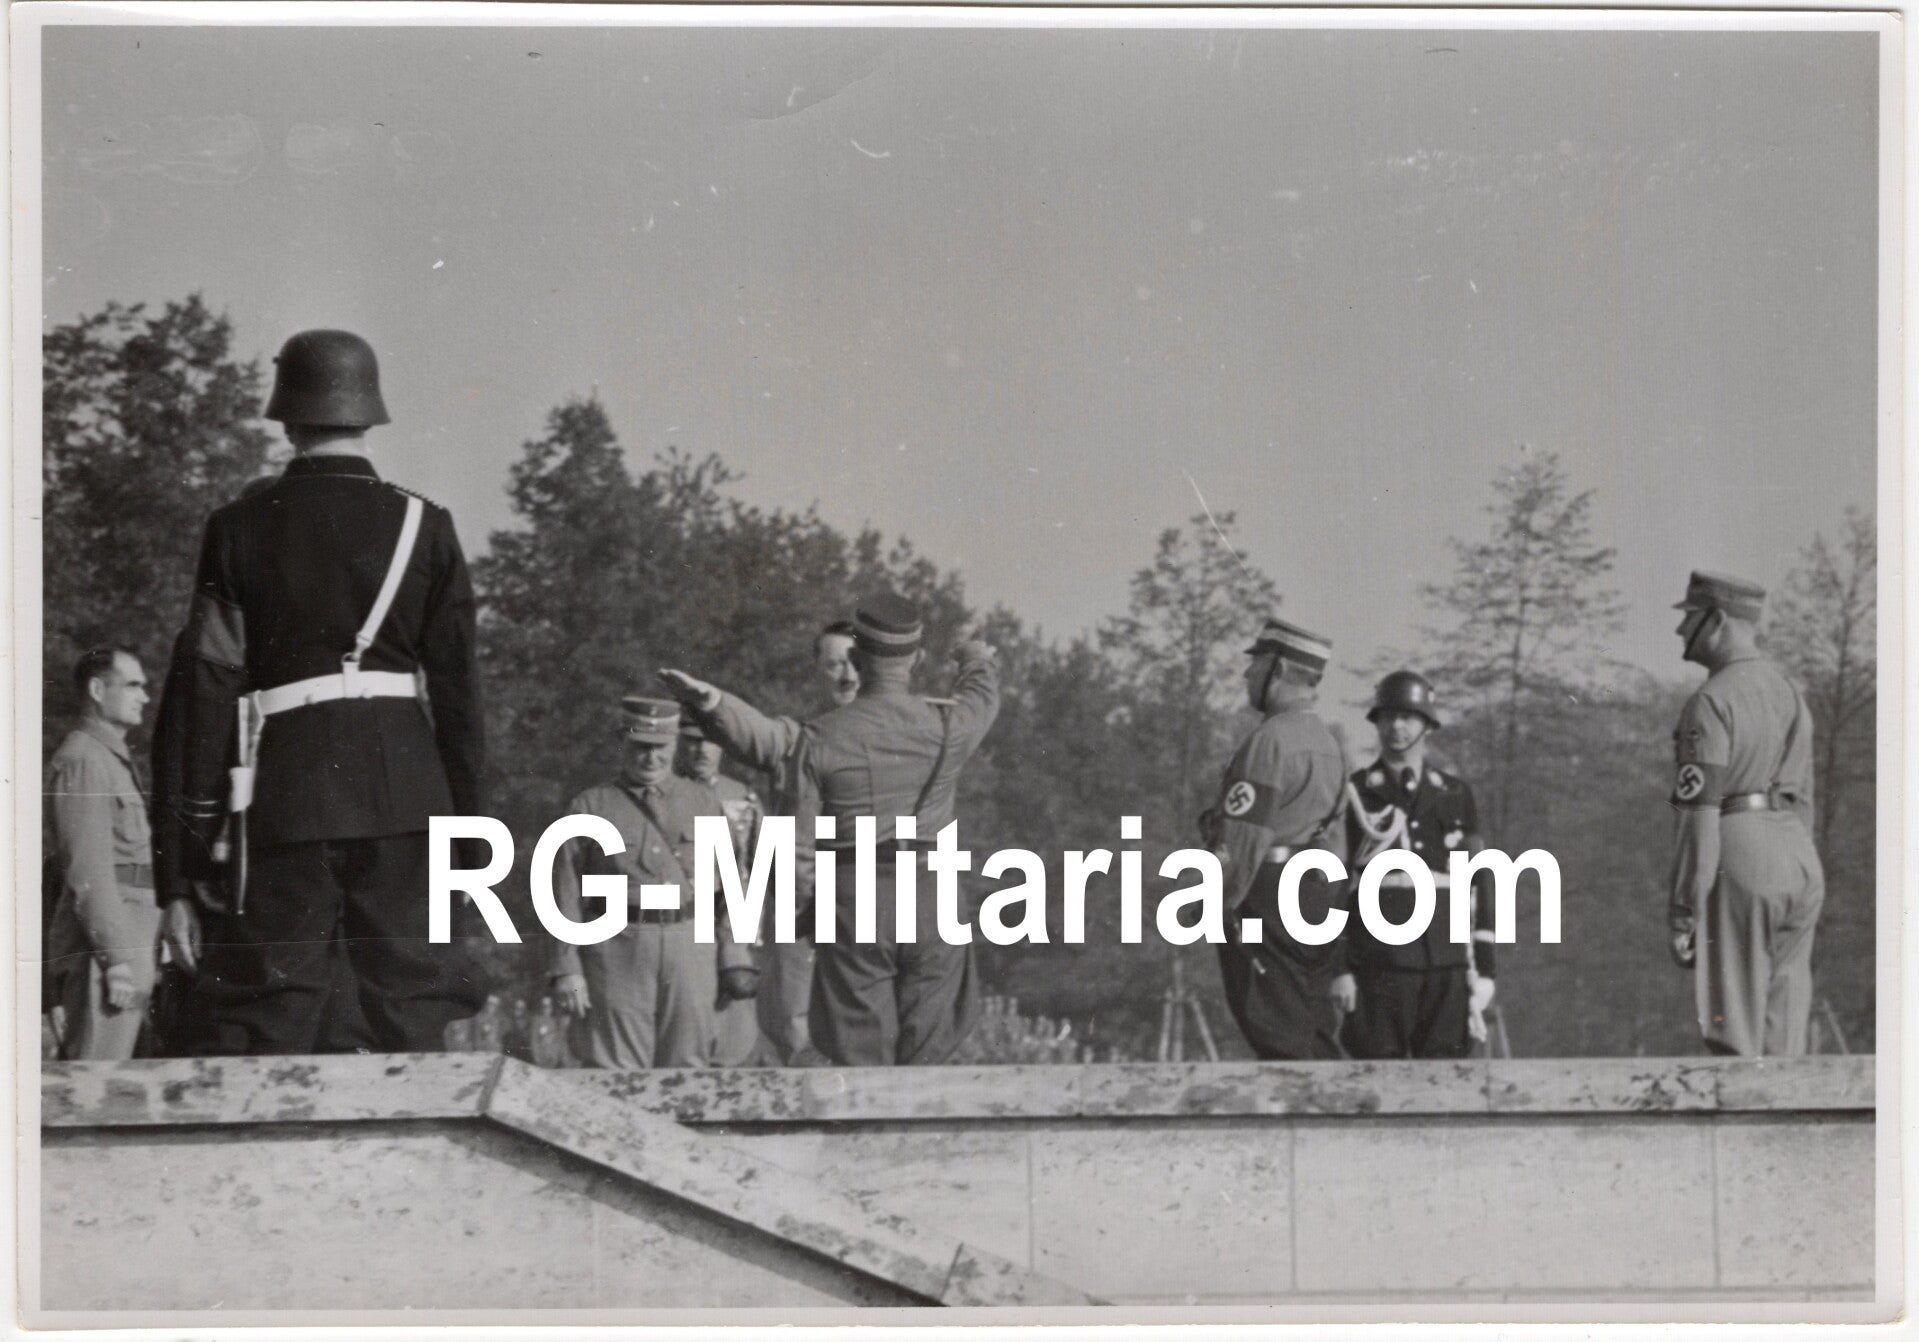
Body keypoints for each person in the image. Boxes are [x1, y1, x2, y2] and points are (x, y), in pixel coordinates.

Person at [155, 328, 488, 1055]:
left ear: (286, 417)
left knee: (271, 1009)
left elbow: (205, 693)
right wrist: (473, 837)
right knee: (411, 1007)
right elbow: (460, 700)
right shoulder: (425, 525)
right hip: (409, 797)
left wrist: (181, 869)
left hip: (287, 796)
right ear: (369, 412)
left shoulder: (237, 528)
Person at [661, 592, 1001, 1065]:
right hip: (934, 892)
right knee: (929, 1051)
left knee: (862, 1054)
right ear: (918, 659)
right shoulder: (952, 726)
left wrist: (714, 703)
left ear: (857, 660)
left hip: (855, 896)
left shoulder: (820, 737)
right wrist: (974, 658)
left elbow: (793, 829)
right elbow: (982, 695)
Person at [547, 696, 759, 1068]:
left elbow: (732, 888)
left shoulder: (703, 803)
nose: (650, 757)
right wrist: (568, 968)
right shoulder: (591, 806)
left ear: (675, 744)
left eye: (660, 747)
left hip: (690, 946)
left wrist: (733, 957)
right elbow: (564, 893)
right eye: (640, 746)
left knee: (689, 1067)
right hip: (616, 949)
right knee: (614, 1070)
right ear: (622, 742)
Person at [1667, 571, 1824, 1056]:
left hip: (1740, 854)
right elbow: (1805, 798)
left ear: (1716, 621)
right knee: (1785, 1037)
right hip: (1799, 856)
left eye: (1690, 617)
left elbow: (1699, 816)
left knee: (1733, 1029)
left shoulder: (1711, 701)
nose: (1680, 629)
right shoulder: (1788, 692)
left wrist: (1685, 910)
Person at [1205, 617, 1350, 1060]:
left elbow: (1242, 840)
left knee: (1274, 1028)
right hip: (1316, 893)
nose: (1247, 674)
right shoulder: (1329, 744)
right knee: (1311, 1027)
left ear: (1280, 669)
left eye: (1257, 663)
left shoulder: (1268, 742)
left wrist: (1218, 904)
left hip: (1264, 896)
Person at [1338, 670, 1497, 1059]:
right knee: (1376, 1074)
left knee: (1448, 1078)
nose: (1397, 726)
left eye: (1408, 717)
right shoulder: (1356, 793)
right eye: (1388, 717)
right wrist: (1339, 967)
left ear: (1427, 724)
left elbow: (1479, 881)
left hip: (1446, 962)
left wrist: (1486, 969)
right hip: (1380, 962)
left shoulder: (1454, 793)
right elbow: (1336, 885)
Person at [45, 648, 158, 1060]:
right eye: (133, 685)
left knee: (117, 1076)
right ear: (96, 689)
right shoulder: (84, 760)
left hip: (132, 933)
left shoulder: (109, 759)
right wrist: (117, 959)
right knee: (96, 1076)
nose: (144, 696)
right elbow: (88, 872)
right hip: (107, 947)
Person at [676, 716, 767, 1065]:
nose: (701, 750)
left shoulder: (742, 798)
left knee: (734, 1030)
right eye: (692, 741)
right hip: (683, 920)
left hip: (733, 922)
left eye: (710, 741)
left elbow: (759, 866)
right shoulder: (665, 794)